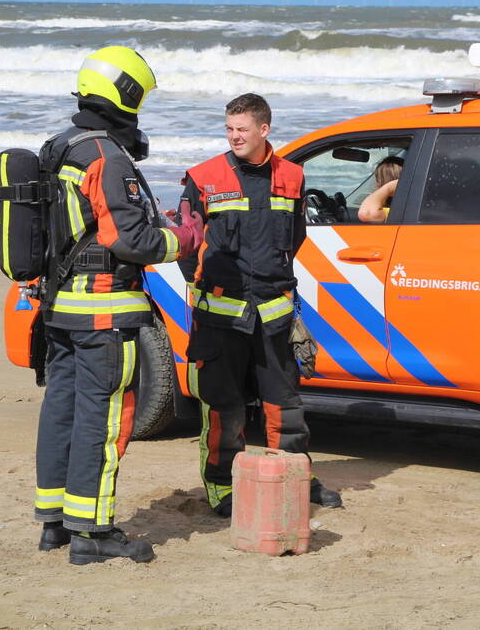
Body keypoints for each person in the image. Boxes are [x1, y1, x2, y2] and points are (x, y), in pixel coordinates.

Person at [33, 46, 203, 564]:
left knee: (61, 411)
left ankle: (56, 523)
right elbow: (132, 241)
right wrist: (186, 238)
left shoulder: (60, 146)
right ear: (125, 94)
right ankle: (93, 533)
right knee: (104, 419)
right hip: (104, 312)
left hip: (61, 309)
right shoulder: (105, 157)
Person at [178, 93, 342, 517]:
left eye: (242, 129)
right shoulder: (204, 177)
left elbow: (294, 238)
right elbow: (186, 245)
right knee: (224, 408)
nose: (234, 136)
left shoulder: (292, 177)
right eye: (229, 129)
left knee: (285, 406)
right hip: (220, 319)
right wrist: (207, 289)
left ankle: (295, 478)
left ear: (264, 130)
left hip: (273, 315)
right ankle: (222, 486)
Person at [358, 155, 403, 222]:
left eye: (378, 180)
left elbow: (366, 213)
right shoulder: (410, 209)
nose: (376, 185)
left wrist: (388, 188)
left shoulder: (394, 213)